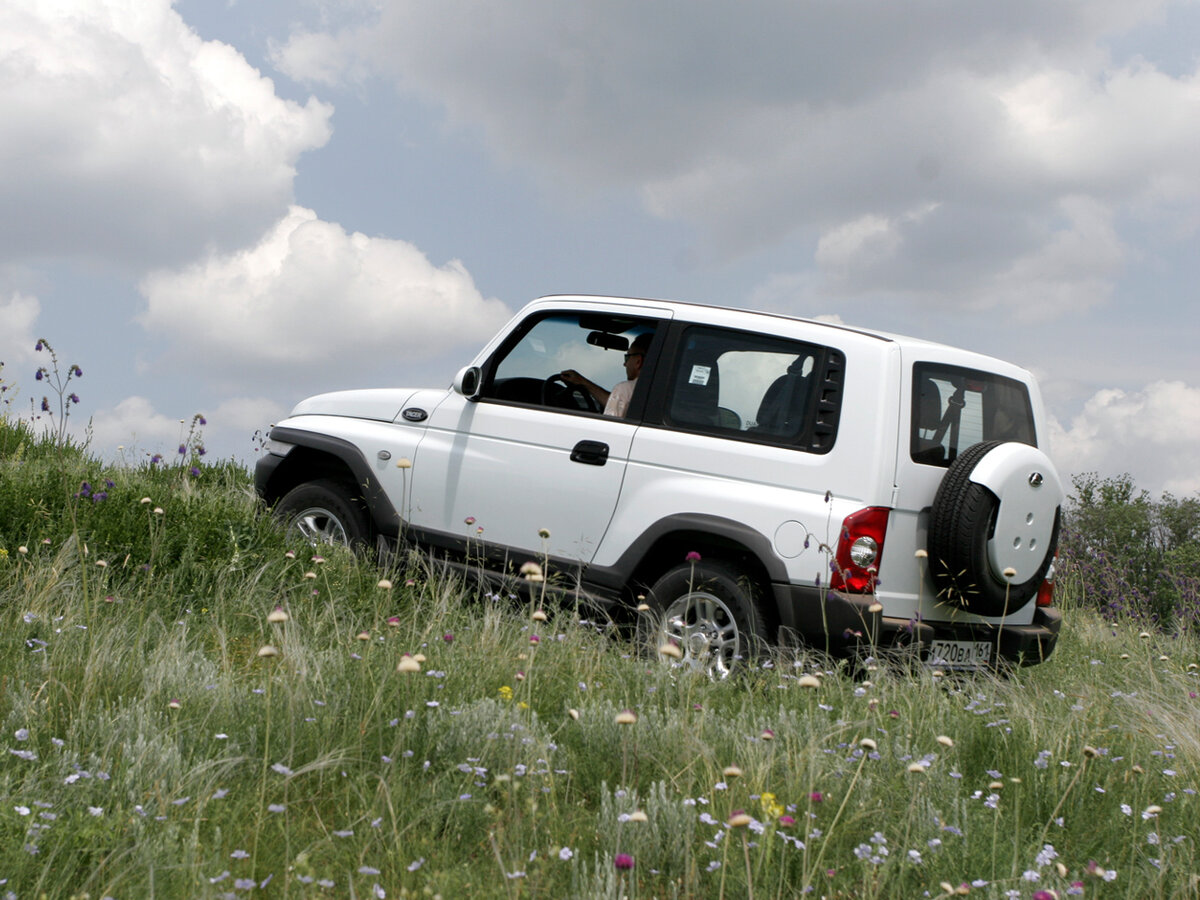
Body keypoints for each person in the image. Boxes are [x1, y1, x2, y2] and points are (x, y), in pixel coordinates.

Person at [561, 332, 651, 417]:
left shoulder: (626, 389)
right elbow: (618, 402)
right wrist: (583, 382)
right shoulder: (656, 391)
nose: (624, 364)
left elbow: (610, 425)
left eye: (627, 357)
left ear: (638, 361)